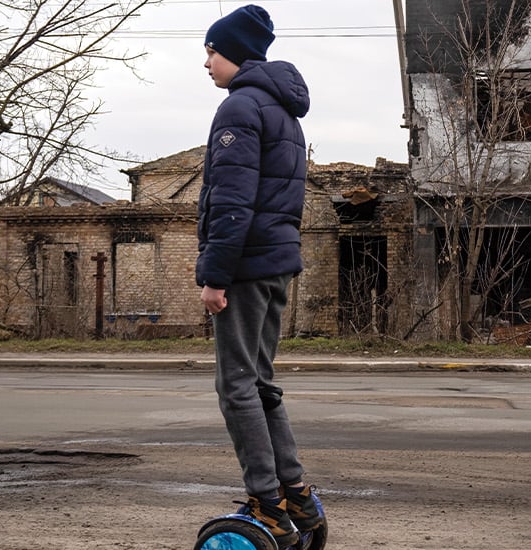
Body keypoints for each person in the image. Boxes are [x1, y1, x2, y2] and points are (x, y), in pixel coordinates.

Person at [195, 5, 321, 547]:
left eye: (211, 51)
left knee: (236, 386)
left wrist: (214, 275)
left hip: (245, 267)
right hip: (276, 265)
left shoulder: (240, 109)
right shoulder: (283, 113)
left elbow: (231, 203)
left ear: (235, 54)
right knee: (262, 382)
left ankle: (266, 501)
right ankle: (294, 492)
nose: (205, 62)